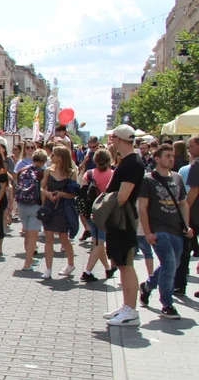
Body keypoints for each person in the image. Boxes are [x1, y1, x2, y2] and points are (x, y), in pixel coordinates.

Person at [137, 144, 191, 319]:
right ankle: (167, 304)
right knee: (169, 263)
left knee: (172, 264)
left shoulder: (177, 178)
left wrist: (186, 226)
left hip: (176, 229)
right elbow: (142, 207)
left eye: (172, 156)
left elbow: (183, 203)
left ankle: (146, 287)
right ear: (157, 159)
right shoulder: (148, 179)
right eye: (167, 156)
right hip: (159, 229)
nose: (171, 159)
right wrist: (147, 232)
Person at [105, 125, 145, 327]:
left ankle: (131, 310)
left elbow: (122, 197)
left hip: (123, 220)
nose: (111, 143)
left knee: (126, 264)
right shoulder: (129, 161)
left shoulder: (132, 163)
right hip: (121, 219)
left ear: (119, 140)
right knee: (121, 264)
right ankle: (126, 306)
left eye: (112, 139)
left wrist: (103, 203)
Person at [39, 145, 78, 279]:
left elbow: (73, 194)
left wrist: (61, 194)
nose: (51, 157)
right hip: (49, 206)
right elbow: (42, 188)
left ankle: (70, 264)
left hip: (63, 207)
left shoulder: (72, 173)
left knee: (63, 237)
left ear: (60, 158)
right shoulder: (48, 171)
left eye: (53, 155)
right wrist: (48, 194)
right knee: (48, 238)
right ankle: (48, 268)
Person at [80, 149, 116, 282]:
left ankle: (107, 269)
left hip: (89, 212)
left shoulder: (88, 174)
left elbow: (83, 194)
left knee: (97, 241)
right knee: (99, 243)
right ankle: (87, 272)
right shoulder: (113, 174)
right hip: (105, 213)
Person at [15, 150, 47, 271]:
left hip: (22, 204)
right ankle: (27, 263)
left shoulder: (22, 170)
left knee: (27, 234)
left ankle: (30, 259)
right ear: (44, 161)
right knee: (33, 236)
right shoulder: (43, 173)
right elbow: (43, 190)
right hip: (35, 205)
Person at [183, 135, 199, 296]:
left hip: (195, 214)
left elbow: (194, 190)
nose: (189, 150)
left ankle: (179, 284)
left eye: (192, 146)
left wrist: (185, 208)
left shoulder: (196, 165)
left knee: (185, 249)